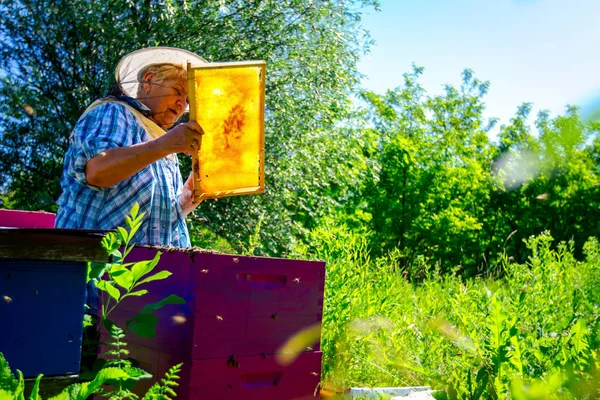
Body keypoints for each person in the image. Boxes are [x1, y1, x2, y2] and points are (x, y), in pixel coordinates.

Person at [55, 47, 207, 248]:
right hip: (93, 266)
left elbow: (155, 218)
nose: (182, 104)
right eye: (177, 91)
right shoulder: (114, 111)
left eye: (188, 100)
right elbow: (97, 171)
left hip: (149, 271)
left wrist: (185, 202)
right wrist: (166, 144)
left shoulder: (165, 144)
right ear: (148, 81)